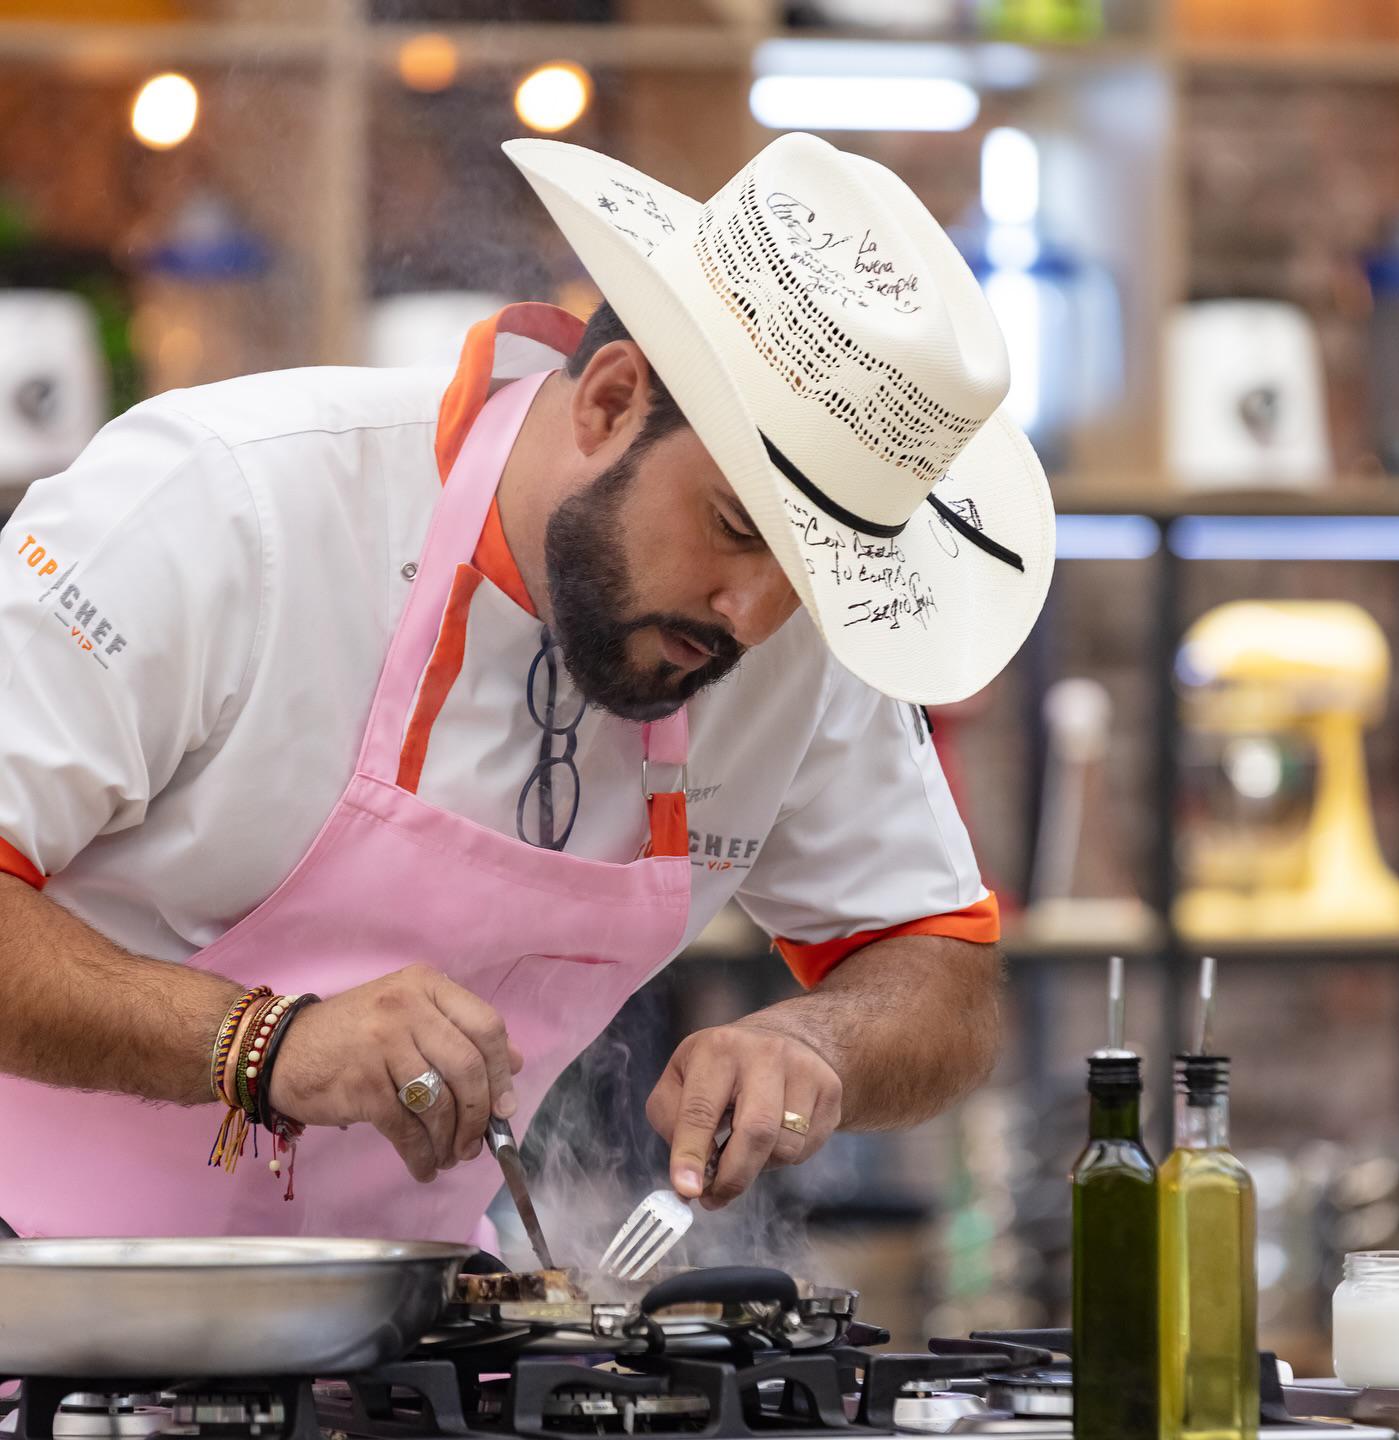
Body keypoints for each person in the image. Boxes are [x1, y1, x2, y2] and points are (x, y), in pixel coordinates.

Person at [0, 131, 1054, 1243]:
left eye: (809, 578)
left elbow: (940, 966)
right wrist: (263, 1044)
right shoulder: (223, 506)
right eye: (735, 528)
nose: (752, 613)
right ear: (608, 401)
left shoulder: (786, 637)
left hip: (392, 1334)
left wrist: (818, 1043)